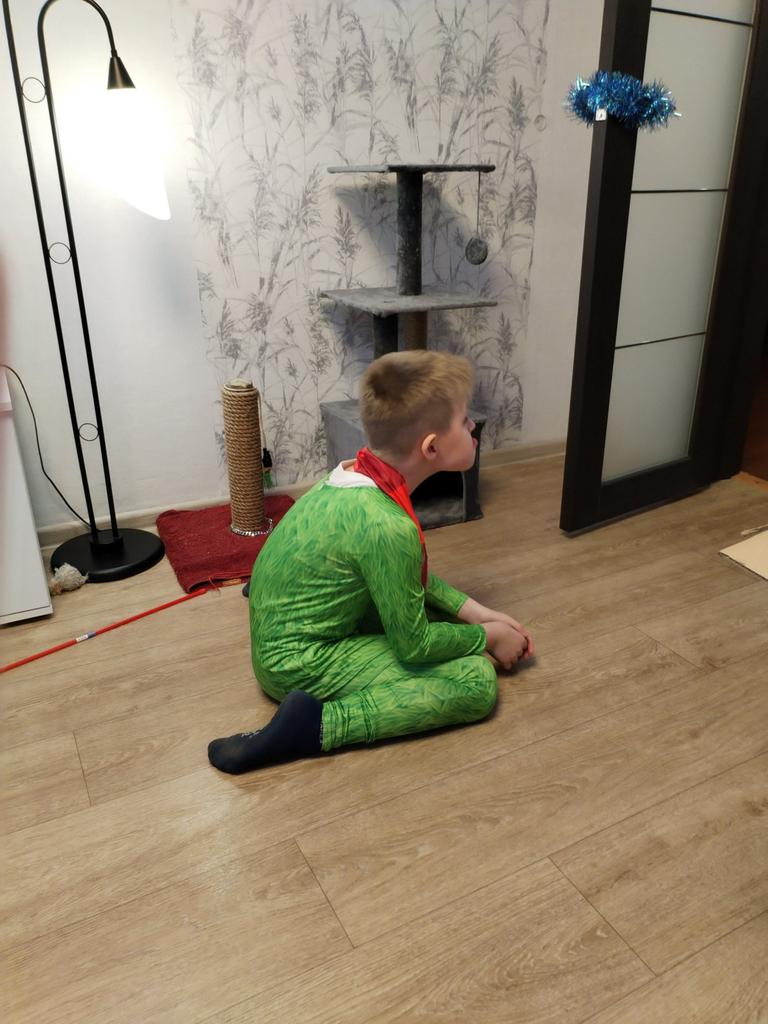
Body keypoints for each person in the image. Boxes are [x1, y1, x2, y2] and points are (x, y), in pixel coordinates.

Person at [208, 350, 534, 774]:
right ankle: (317, 727)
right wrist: (486, 637)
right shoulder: (387, 526)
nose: (473, 427)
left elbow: (402, 575)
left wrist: (477, 613)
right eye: (464, 420)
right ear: (432, 447)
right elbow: (414, 645)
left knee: (428, 616)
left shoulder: (355, 473)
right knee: (474, 680)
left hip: (286, 635)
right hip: (297, 664)